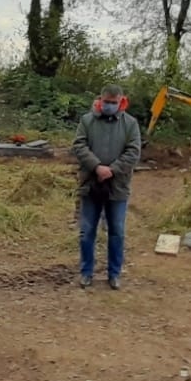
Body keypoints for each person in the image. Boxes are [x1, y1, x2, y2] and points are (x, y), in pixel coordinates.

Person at [73, 83, 142, 290]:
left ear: (120, 102)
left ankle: (114, 274)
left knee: (117, 231)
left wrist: (112, 169)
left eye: (114, 103)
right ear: (100, 100)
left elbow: (133, 152)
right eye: (107, 102)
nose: (110, 106)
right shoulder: (87, 121)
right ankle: (86, 272)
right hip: (90, 185)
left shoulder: (130, 124)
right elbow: (78, 145)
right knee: (86, 231)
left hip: (118, 186)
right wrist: (96, 167)